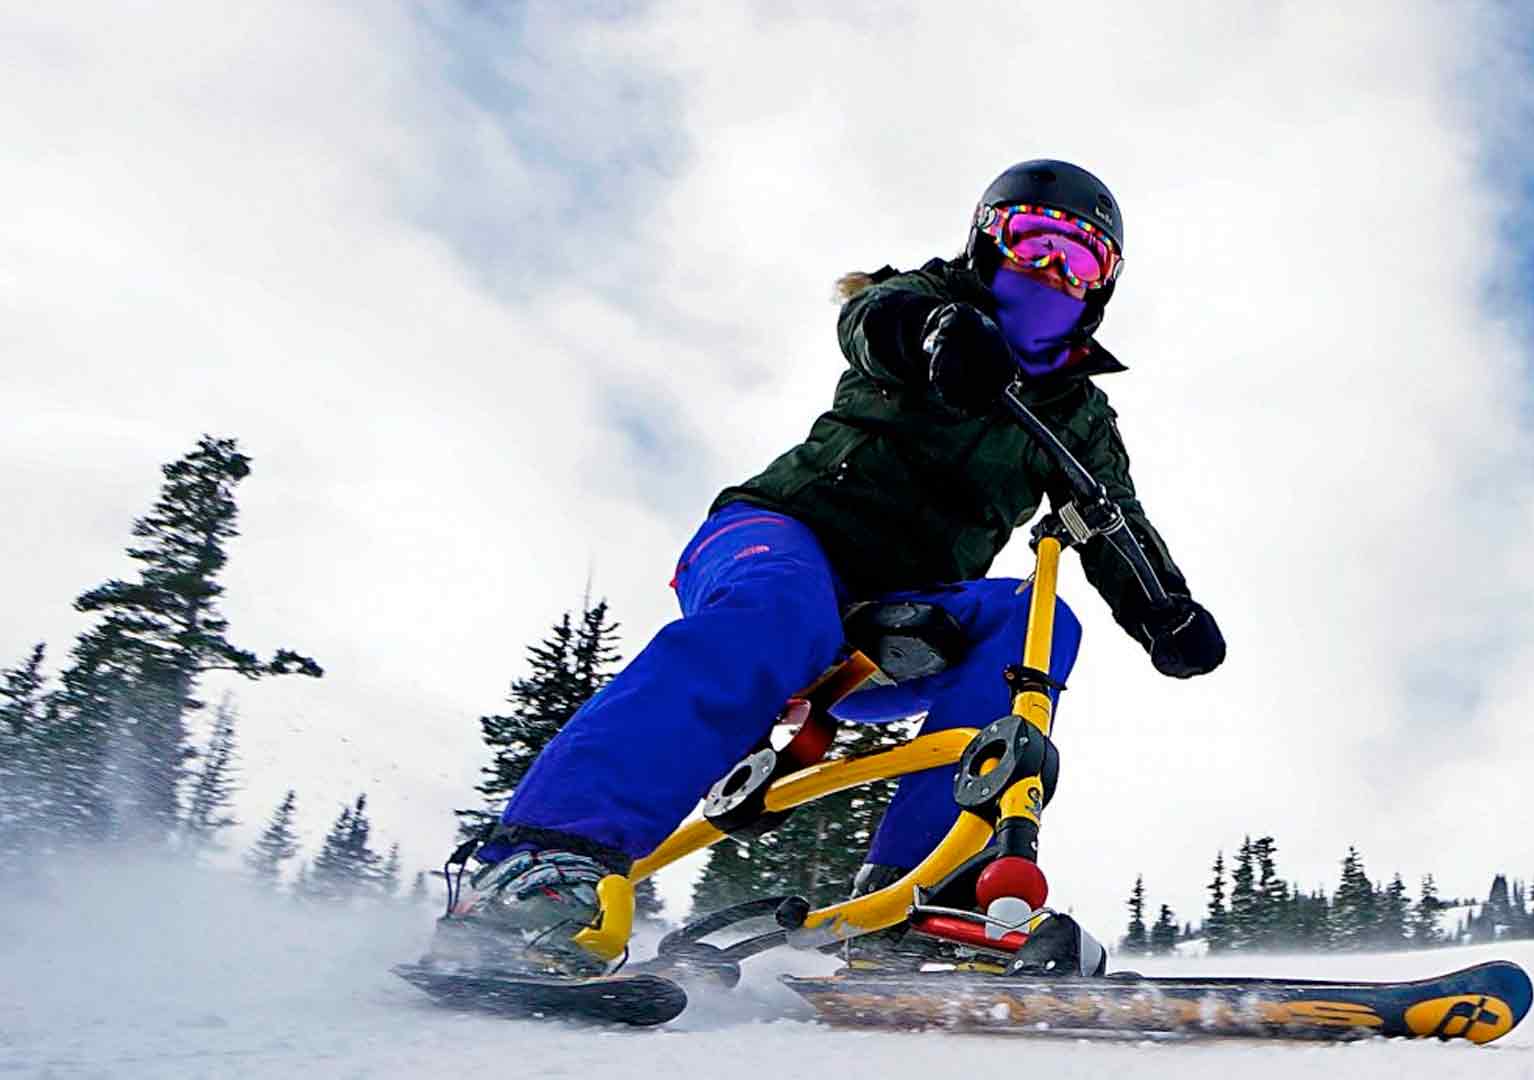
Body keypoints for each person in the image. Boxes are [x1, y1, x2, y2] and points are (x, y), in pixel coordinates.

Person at [434, 159, 1226, 975]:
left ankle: (922, 891)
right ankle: (540, 863)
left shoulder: (1077, 415)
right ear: (987, 242)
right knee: (781, 612)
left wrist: (1164, 609)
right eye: (1033, 243)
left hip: (899, 615)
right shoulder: (924, 306)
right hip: (780, 538)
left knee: (1037, 619)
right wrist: (939, 336)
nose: (1052, 275)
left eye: (1080, 262)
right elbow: (874, 322)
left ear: (1104, 288)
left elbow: (1111, 517)